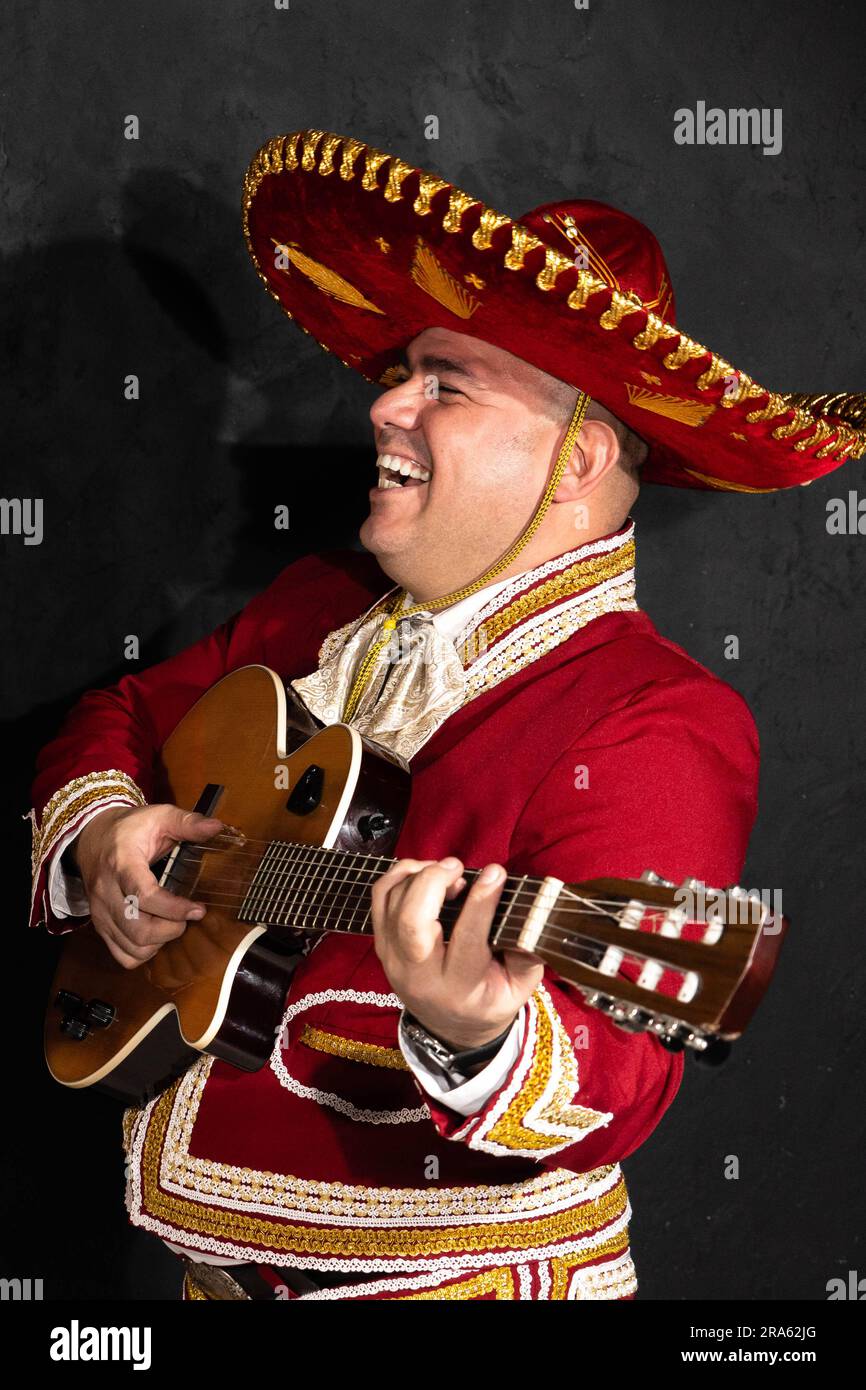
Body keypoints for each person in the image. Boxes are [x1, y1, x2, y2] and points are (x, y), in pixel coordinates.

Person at [27, 128, 865, 1301]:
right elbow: (116, 713)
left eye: (444, 385)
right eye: (397, 374)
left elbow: (613, 1077)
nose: (384, 409)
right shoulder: (313, 608)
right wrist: (105, 833)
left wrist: (476, 1030)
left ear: (575, 458)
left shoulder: (657, 716)